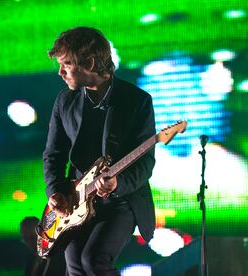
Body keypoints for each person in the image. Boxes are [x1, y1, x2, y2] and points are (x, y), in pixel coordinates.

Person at [42, 26, 156, 275]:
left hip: (121, 202)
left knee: (94, 261)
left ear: (90, 63)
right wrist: (56, 192)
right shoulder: (65, 101)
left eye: (67, 65)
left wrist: (118, 183)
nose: (60, 73)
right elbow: (53, 154)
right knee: (74, 266)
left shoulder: (137, 101)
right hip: (77, 201)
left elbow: (146, 163)